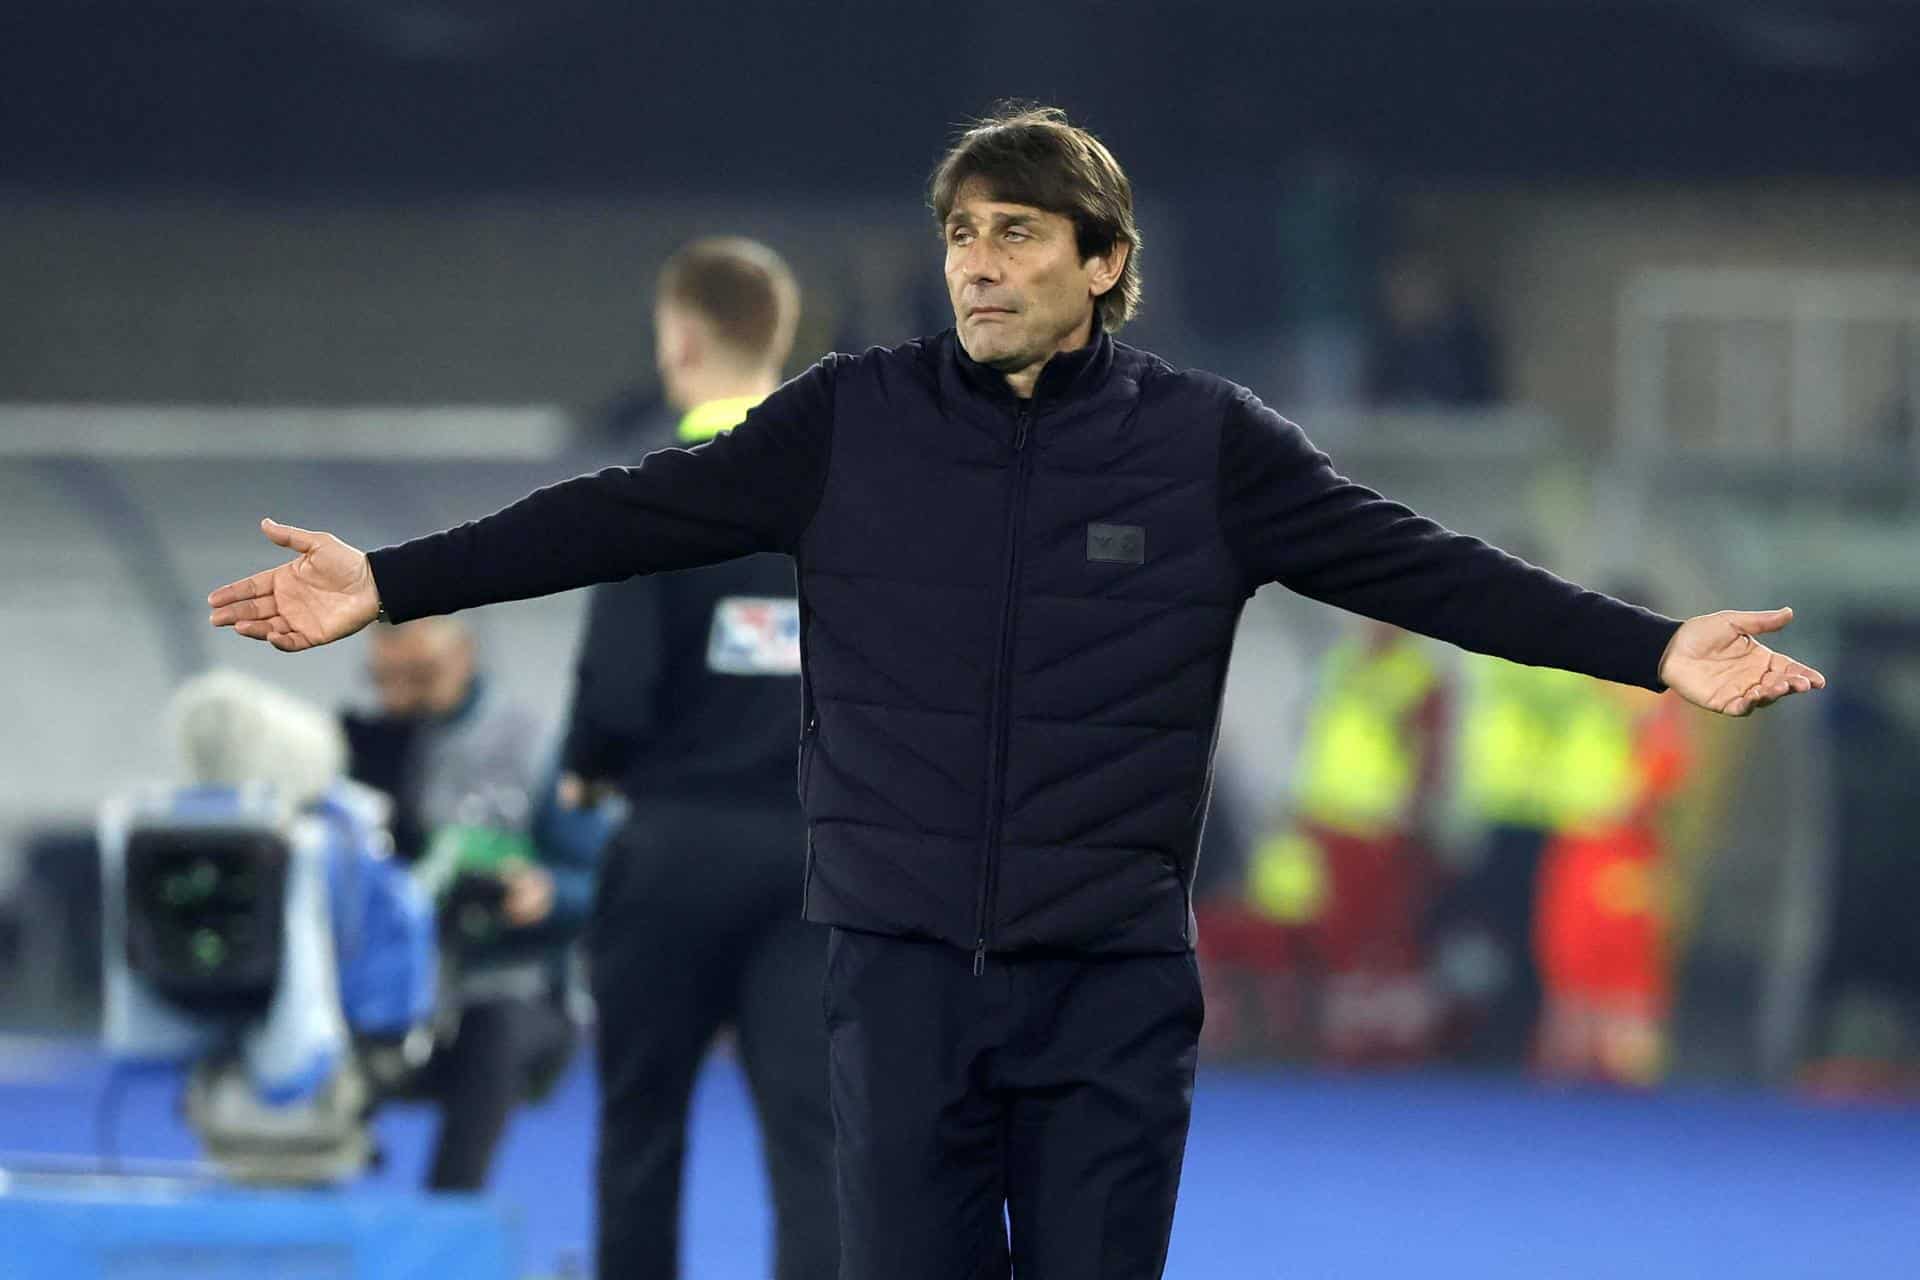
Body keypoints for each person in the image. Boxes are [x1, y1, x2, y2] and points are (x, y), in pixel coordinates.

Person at [209, 104, 1825, 1280]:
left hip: (1111, 985)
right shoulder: (852, 421)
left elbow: (1433, 571)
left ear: (1104, 262)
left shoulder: (1209, 447)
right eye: (962, 237)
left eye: (1018, 237)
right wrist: (393, 580)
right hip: (901, 975)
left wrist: (1653, 649)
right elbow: (614, 513)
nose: (978, 269)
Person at [564, 237, 836, 1279]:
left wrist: (589, 761)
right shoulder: (838, 503)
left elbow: (616, 694)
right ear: (778, 339)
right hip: (814, 856)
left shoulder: (658, 497)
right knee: (813, 1141)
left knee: (644, 1128)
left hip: (674, 846)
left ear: (680, 338)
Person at [343, 617, 606, 1192]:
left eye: (419, 674)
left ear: (464, 656)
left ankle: (450, 1222)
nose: (399, 695)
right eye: (384, 678)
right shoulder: (368, 746)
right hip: (394, 996)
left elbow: (606, 881)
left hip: (514, 992)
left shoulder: (538, 749)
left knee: (495, 1034)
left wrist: (548, 893)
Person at [1246, 620, 1449, 1065]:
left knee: (1373, 937)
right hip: (1324, 819)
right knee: (1326, 933)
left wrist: (1410, 816)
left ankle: (1371, 1045)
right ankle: (1326, 1039)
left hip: (1376, 825)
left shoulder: (1417, 675)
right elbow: (1314, 737)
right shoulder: (1339, 665)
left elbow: (1430, 752)